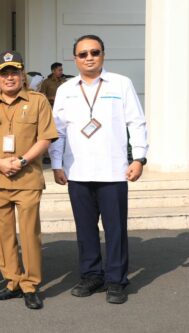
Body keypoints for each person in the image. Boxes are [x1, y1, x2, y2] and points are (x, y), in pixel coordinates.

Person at [49, 34, 148, 304]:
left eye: (94, 52)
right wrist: (57, 164)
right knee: (85, 228)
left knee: (115, 228)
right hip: (77, 171)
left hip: (113, 170)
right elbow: (57, 130)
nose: (89, 58)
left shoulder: (121, 83)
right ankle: (92, 275)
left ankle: (116, 280)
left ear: (103, 54)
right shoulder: (66, 89)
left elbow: (136, 122)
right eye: (83, 54)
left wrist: (139, 158)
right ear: (75, 59)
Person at [0, 51, 58, 310]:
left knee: (28, 234)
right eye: (5, 73)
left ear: (23, 75)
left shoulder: (38, 102)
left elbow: (45, 137)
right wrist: (0, 162)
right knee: (2, 235)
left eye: (14, 72)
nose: (10, 77)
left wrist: (22, 161)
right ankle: (11, 280)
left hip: (27, 178)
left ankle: (30, 284)